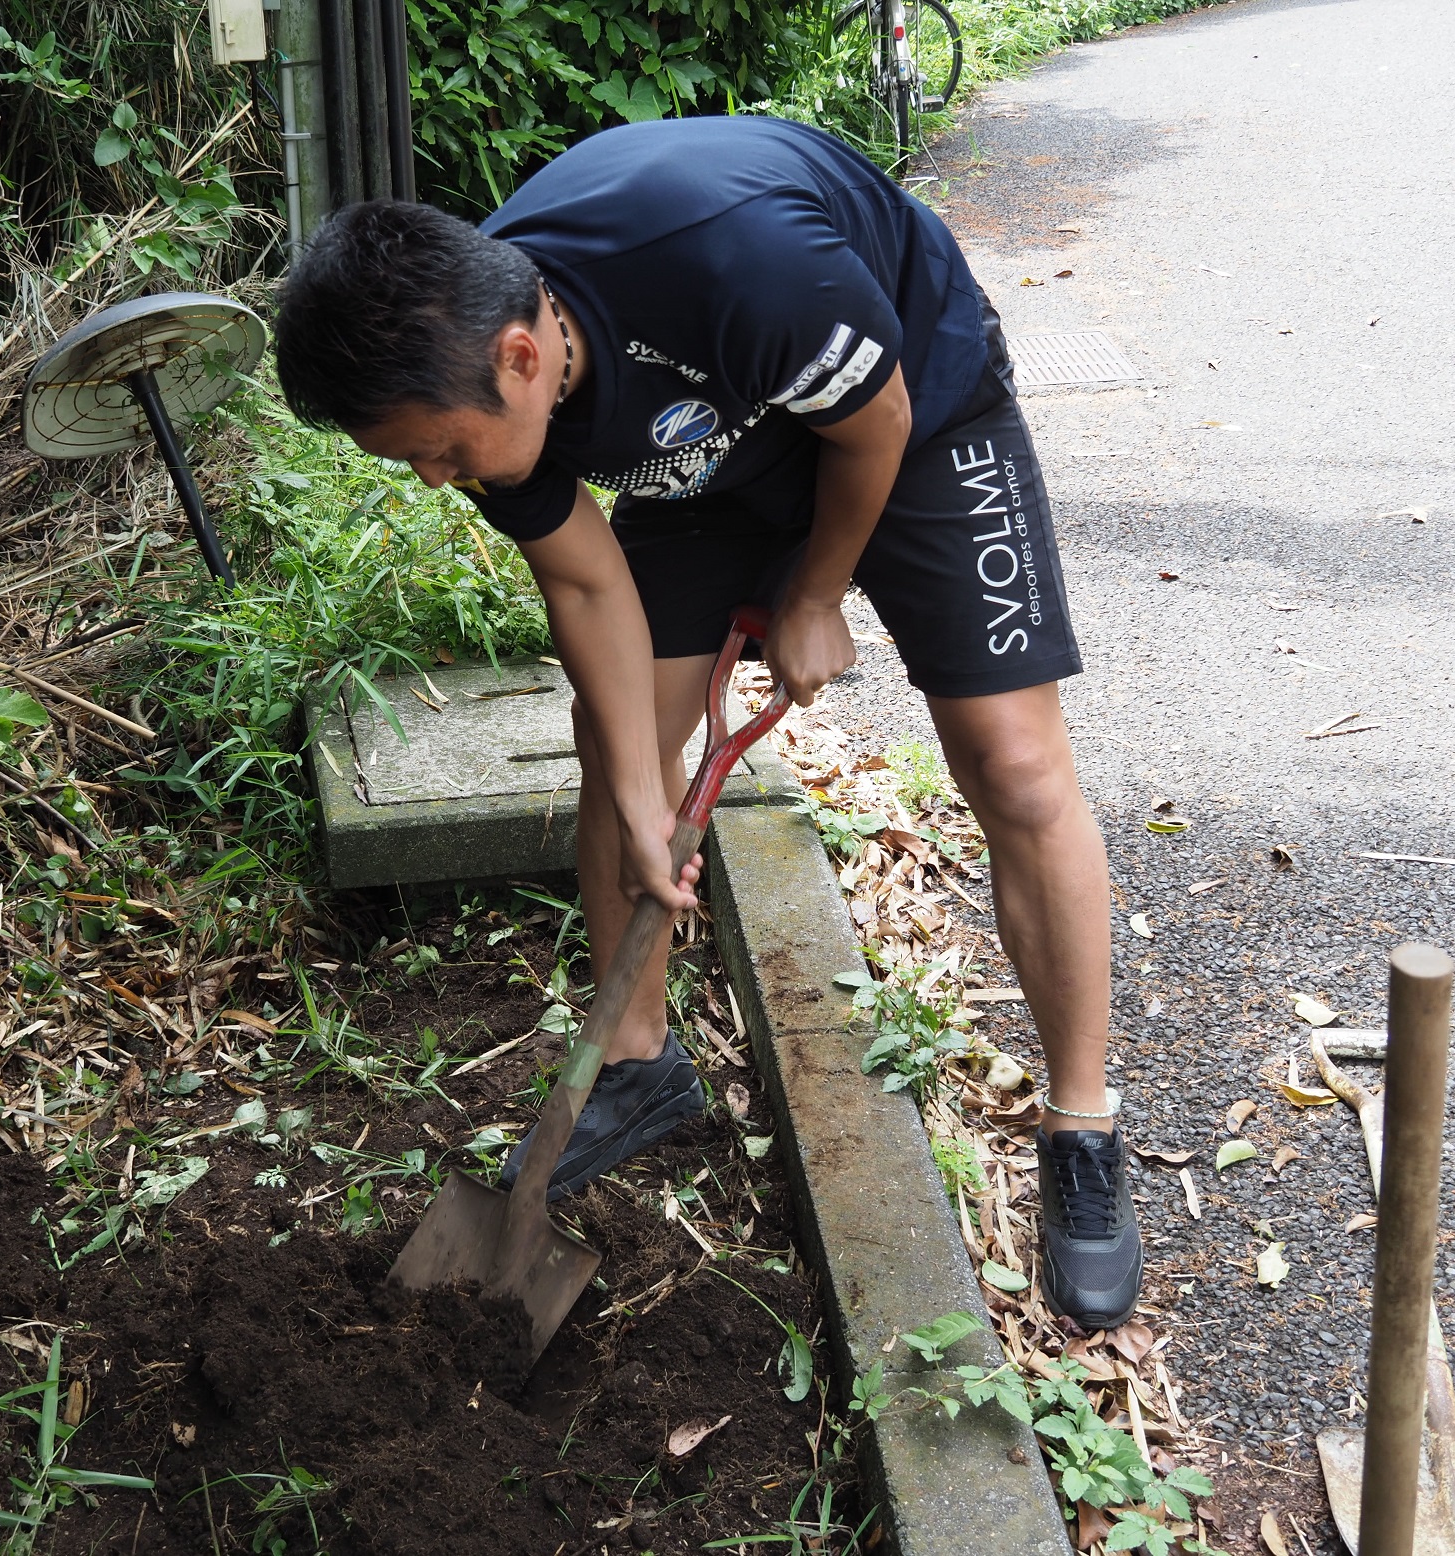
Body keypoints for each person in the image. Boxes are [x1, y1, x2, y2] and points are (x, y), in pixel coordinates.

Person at [272, 115, 1139, 1329]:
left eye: (439, 452)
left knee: (1012, 762)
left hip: (912, 413)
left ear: (522, 356)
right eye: (412, 459)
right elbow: (585, 584)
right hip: (709, 466)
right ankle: (634, 1061)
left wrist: (816, 593)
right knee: (616, 739)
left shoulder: (733, 258)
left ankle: (1080, 1122)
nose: (435, 478)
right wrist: (641, 795)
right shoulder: (477, 381)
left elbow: (874, 422)